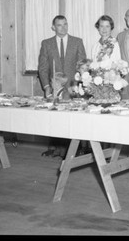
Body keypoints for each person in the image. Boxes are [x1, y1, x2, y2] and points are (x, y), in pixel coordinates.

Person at [38, 15, 86, 158]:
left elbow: (82, 66)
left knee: (72, 119)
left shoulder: (77, 42)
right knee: (55, 119)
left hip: (73, 87)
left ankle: (74, 151)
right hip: (55, 87)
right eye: (59, 25)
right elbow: (43, 67)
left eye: (65, 24)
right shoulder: (46, 43)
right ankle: (56, 149)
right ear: (53, 27)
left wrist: (80, 85)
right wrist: (47, 86)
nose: (63, 27)